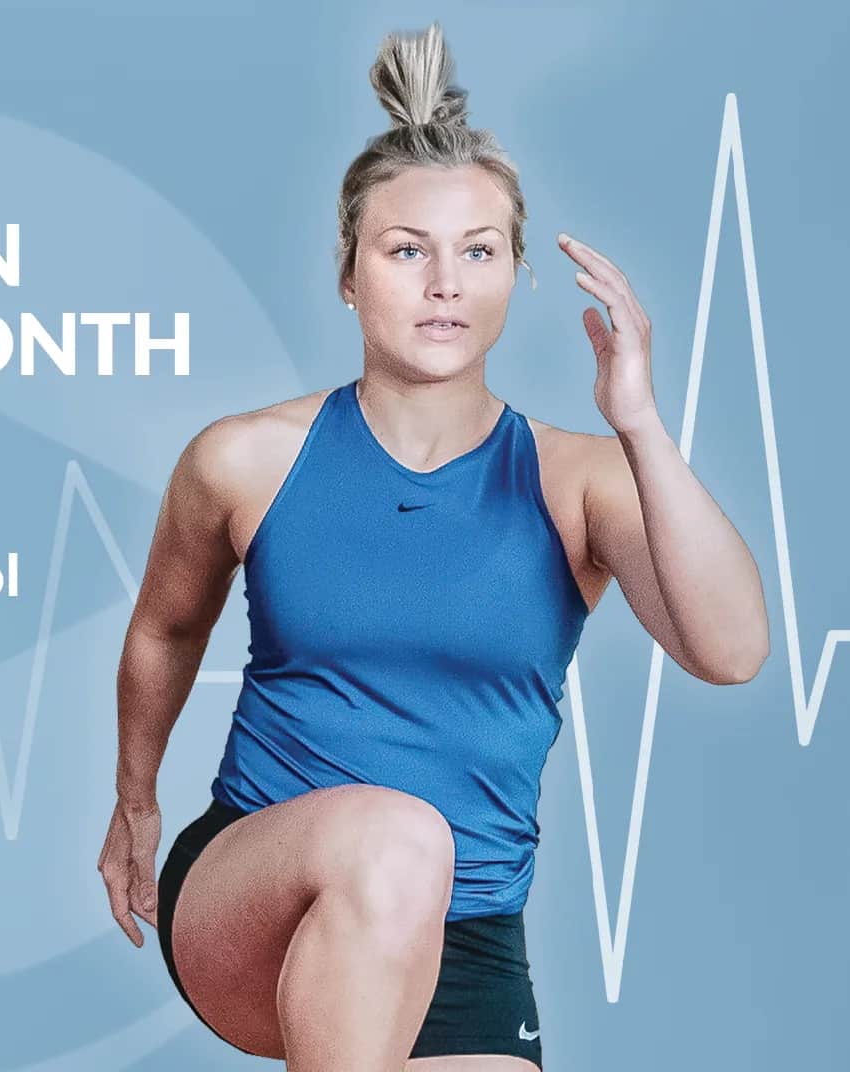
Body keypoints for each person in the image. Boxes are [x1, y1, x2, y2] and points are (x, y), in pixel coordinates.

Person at [95, 21, 770, 1072]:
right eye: (406, 250)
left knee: (418, 857)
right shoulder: (244, 459)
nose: (443, 282)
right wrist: (134, 801)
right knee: (398, 835)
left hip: (469, 930)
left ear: (515, 276)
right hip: (255, 888)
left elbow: (729, 652)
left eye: (478, 251)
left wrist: (638, 423)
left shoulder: (578, 480)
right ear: (348, 274)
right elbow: (163, 628)